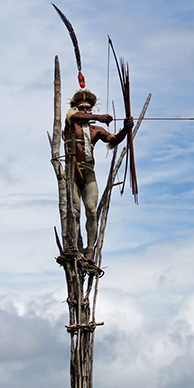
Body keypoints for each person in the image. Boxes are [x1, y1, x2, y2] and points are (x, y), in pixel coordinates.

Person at [63, 89, 133, 261]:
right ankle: (73, 245)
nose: (85, 111)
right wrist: (99, 116)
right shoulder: (71, 122)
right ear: (76, 108)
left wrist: (126, 128)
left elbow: (114, 139)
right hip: (72, 171)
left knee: (92, 212)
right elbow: (74, 116)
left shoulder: (96, 130)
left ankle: (89, 249)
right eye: (82, 108)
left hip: (88, 171)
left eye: (88, 108)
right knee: (74, 211)